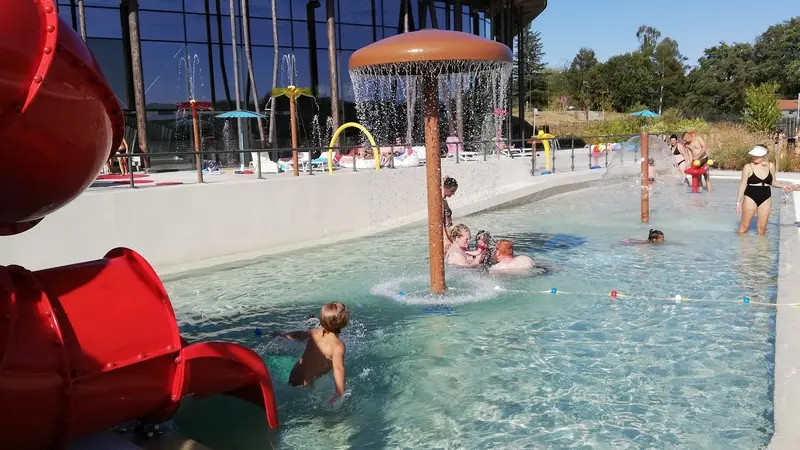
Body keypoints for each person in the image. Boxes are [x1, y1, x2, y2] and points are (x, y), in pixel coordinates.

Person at [271, 302, 349, 404]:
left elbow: (298, 335)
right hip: (308, 383)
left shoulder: (314, 332)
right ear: (344, 322)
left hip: (295, 374)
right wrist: (339, 392)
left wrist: (283, 336)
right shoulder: (338, 346)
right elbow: (338, 369)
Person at [736, 145, 794, 235]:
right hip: (750, 196)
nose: (753, 157)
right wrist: (738, 202)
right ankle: (744, 248)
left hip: (766, 197)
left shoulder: (771, 166)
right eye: (753, 155)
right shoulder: (748, 167)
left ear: (764, 156)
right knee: (744, 227)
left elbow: (773, 182)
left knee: (762, 229)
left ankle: (762, 249)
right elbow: (743, 185)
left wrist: (783, 186)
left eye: (756, 155)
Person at [442, 177, 459, 251]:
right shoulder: (440, 200)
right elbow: (440, 221)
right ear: (446, 188)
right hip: (446, 232)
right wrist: (445, 238)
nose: (453, 194)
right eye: (452, 191)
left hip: (449, 231)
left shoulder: (444, 199)